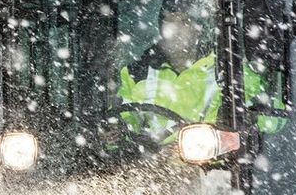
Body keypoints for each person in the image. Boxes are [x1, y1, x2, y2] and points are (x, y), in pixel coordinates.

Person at [114, 8, 284, 145]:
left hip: (217, 169)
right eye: (169, 21)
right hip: (154, 169)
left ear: (198, 29)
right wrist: (115, 132)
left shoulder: (231, 68)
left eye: (184, 21)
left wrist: (248, 116)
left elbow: (274, 120)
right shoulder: (136, 73)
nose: (175, 29)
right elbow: (125, 121)